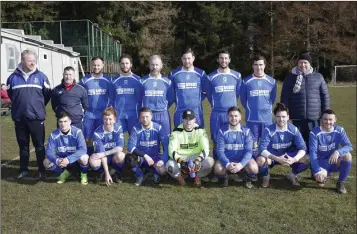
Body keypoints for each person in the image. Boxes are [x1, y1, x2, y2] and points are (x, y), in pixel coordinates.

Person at [6, 49, 52, 179]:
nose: (32, 63)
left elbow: (47, 95)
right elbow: (11, 96)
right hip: (20, 119)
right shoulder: (12, 78)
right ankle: (24, 170)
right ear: (22, 60)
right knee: (23, 147)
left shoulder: (42, 77)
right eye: (29, 60)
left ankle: (41, 171)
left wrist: (37, 108)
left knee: (39, 146)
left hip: (36, 118)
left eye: (34, 60)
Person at [281, 51, 330, 149]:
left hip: (314, 119)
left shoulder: (318, 77)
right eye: (300, 62)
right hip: (296, 118)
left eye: (305, 62)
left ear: (309, 64)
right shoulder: (290, 77)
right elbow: (284, 97)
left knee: (315, 146)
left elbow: (325, 97)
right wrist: (287, 116)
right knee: (298, 147)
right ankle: (299, 164)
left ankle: (314, 164)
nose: (303, 65)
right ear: (297, 63)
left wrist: (325, 116)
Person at [256, 103, 309, 188]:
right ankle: (266, 176)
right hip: (273, 157)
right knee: (260, 160)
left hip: (288, 156)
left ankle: (292, 175)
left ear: (288, 117)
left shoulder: (294, 129)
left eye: (283, 117)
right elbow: (261, 149)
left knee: (306, 159)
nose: (281, 119)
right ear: (275, 117)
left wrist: (294, 159)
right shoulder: (268, 130)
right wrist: (277, 158)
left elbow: (303, 148)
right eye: (278, 117)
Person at [205, 50, 242, 160]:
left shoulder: (237, 75)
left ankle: (233, 164)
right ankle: (217, 166)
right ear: (218, 60)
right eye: (221, 58)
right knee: (216, 141)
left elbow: (238, 93)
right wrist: (217, 105)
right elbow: (208, 94)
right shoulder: (211, 77)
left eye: (226, 58)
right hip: (217, 114)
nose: (223, 60)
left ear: (229, 60)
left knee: (232, 140)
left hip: (232, 114)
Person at [240, 55, 276, 158]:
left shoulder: (271, 81)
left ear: (264, 65)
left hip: (267, 119)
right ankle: (253, 167)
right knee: (253, 146)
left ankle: (264, 167)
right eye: (256, 65)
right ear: (252, 66)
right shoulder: (246, 81)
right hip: (252, 119)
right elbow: (243, 100)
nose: (258, 67)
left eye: (260, 64)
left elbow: (272, 99)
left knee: (266, 145)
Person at [166, 109, 214, 186]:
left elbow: (205, 149)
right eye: (186, 119)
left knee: (210, 162)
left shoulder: (200, 130)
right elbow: (171, 151)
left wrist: (198, 160)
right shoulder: (176, 131)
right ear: (182, 120)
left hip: (196, 156)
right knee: (169, 166)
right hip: (182, 157)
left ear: (194, 119)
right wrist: (181, 161)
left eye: (190, 119)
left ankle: (197, 176)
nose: (188, 121)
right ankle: (180, 177)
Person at [309, 109, 353, 194]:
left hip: (334, 161)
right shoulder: (314, 133)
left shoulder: (339, 130)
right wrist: (317, 170)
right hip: (321, 162)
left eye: (330, 119)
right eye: (325, 119)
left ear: (335, 120)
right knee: (320, 183)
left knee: (348, 155)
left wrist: (337, 152)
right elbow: (313, 153)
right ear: (321, 120)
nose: (328, 122)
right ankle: (318, 174)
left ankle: (340, 183)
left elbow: (349, 146)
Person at [214, 107, 259, 188]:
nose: (233, 118)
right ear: (227, 117)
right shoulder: (222, 131)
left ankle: (247, 178)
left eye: (236, 116)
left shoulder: (247, 131)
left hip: (241, 159)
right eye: (231, 116)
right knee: (217, 169)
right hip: (228, 159)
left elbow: (249, 151)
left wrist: (241, 165)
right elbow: (220, 151)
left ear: (240, 117)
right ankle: (225, 177)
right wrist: (227, 164)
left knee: (254, 168)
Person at [79, 56, 114, 155]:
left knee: (102, 137)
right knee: (88, 138)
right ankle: (89, 156)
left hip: (103, 115)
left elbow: (112, 97)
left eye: (98, 65)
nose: (96, 67)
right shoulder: (85, 80)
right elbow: (79, 95)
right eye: (94, 65)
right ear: (91, 65)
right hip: (88, 115)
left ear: (102, 65)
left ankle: (103, 157)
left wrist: (107, 111)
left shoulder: (108, 80)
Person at [43, 112, 89, 185]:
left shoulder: (77, 132)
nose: (63, 124)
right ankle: (64, 173)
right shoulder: (54, 134)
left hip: (75, 160)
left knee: (84, 157)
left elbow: (83, 149)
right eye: (60, 121)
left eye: (65, 121)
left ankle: (83, 175)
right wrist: (57, 160)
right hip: (61, 160)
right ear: (58, 122)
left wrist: (68, 159)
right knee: (46, 162)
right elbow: (49, 151)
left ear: (70, 122)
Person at [127, 107, 169, 186]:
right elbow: (130, 147)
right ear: (139, 118)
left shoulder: (158, 128)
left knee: (163, 170)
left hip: (155, 157)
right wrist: (145, 156)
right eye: (142, 117)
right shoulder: (136, 129)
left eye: (147, 117)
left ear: (151, 117)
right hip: (142, 157)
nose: (145, 119)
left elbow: (166, 145)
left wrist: (162, 160)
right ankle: (140, 176)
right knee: (129, 159)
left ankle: (155, 173)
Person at [169, 48, 207, 128]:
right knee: (180, 137)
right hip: (180, 112)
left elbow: (205, 92)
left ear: (193, 58)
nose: (187, 61)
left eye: (189, 58)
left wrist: (195, 102)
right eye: (184, 59)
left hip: (196, 111)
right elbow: (171, 93)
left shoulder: (201, 74)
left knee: (197, 137)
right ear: (181, 59)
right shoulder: (174, 74)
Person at [89, 107, 126, 186]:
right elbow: (102, 154)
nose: (108, 122)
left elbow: (120, 147)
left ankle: (116, 172)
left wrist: (105, 153)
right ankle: (102, 172)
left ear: (114, 119)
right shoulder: (97, 133)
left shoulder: (118, 128)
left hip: (113, 156)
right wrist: (107, 174)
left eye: (110, 119)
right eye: (105, 119)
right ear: (102, 119)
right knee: (92, 160)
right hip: (103, 157)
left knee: (121, 155)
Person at [141, 55, 175, 137]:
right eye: (152, 65)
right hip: (148, 115)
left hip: (163, 114)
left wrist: (163, 106)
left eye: (157, 65)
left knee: (166, 140)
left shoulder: (167, 82)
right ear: (149, 65)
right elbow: (139, 98)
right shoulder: (142, 81)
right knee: (149, 141)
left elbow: (171, 98)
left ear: (161, 66)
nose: (154, 67)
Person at [112, 54, 143, 134]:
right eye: (122, 63)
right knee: (118, 140)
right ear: (119, 65)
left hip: (133, 115)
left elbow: (142, 98)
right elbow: (111, 98)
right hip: (118, 115)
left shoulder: (138, 80)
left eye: (127, 63)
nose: (124, 65)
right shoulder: (114, 81)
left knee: (134, 140)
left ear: (131, 65)